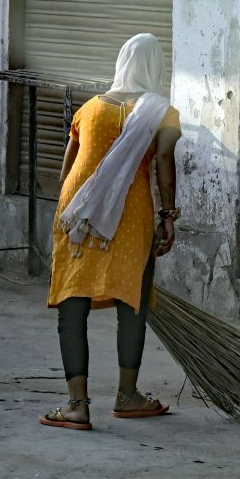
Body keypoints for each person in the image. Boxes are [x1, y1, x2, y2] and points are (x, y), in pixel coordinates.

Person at [41, 33, 183, 430]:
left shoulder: (88, 109)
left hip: (79, 213)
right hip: (130, 213)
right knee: (131, 304)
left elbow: (67, 168)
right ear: (157, 68)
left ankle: (76, 405)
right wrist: (168, 216)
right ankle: (127, 395)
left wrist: (70, 213)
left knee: (73, 304)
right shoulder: (162, 113)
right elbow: (164, 165)